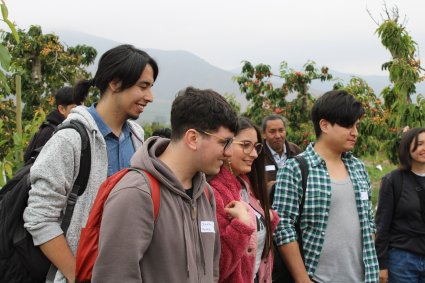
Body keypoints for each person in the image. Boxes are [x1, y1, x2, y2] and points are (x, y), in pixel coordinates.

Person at [23, 44, 159, 283]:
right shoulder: (71, 139)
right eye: (143, 86)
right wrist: (79, 275)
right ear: (115, 83)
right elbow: (39, 217)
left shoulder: (138, 137)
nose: (150, 97)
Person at [91, 86, 238, 283]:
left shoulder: (205, 194)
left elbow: (211, 270)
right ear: (193, 138)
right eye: (224, 143)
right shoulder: (136, 193)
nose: (229, 152)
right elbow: (114, 276)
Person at [273, 90, 379, 283]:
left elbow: (368, 222)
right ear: (324, 125)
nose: (355, 132)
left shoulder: (358, 168)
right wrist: (302, 279)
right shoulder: (296, 168)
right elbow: (282, 226)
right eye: (348, 125)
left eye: (356, 125)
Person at [209, 116, 279, 283]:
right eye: (245, 145)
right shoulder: (215, 192)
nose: (254, 154)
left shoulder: (245, 183)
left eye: (256, 147)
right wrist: (241, 226)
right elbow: (217, 268)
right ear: (225, 144)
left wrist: (268, 217)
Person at [375, 127, 425, 283]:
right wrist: (381, 264)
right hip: (403, 260)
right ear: (407, 147)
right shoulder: (394, 180)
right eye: (420, 144)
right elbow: (382, 225)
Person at [23, 86, 81, 163]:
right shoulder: (49, 132)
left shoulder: (65, 128)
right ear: (62, 109)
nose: (79, 111)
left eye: (80, 107)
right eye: (74, 108)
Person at [261, 114, 301, 198]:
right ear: (264, 134)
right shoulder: (258, 154)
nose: (278, 136)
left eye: (281, 130)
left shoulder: (295, 151)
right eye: (272, 131)